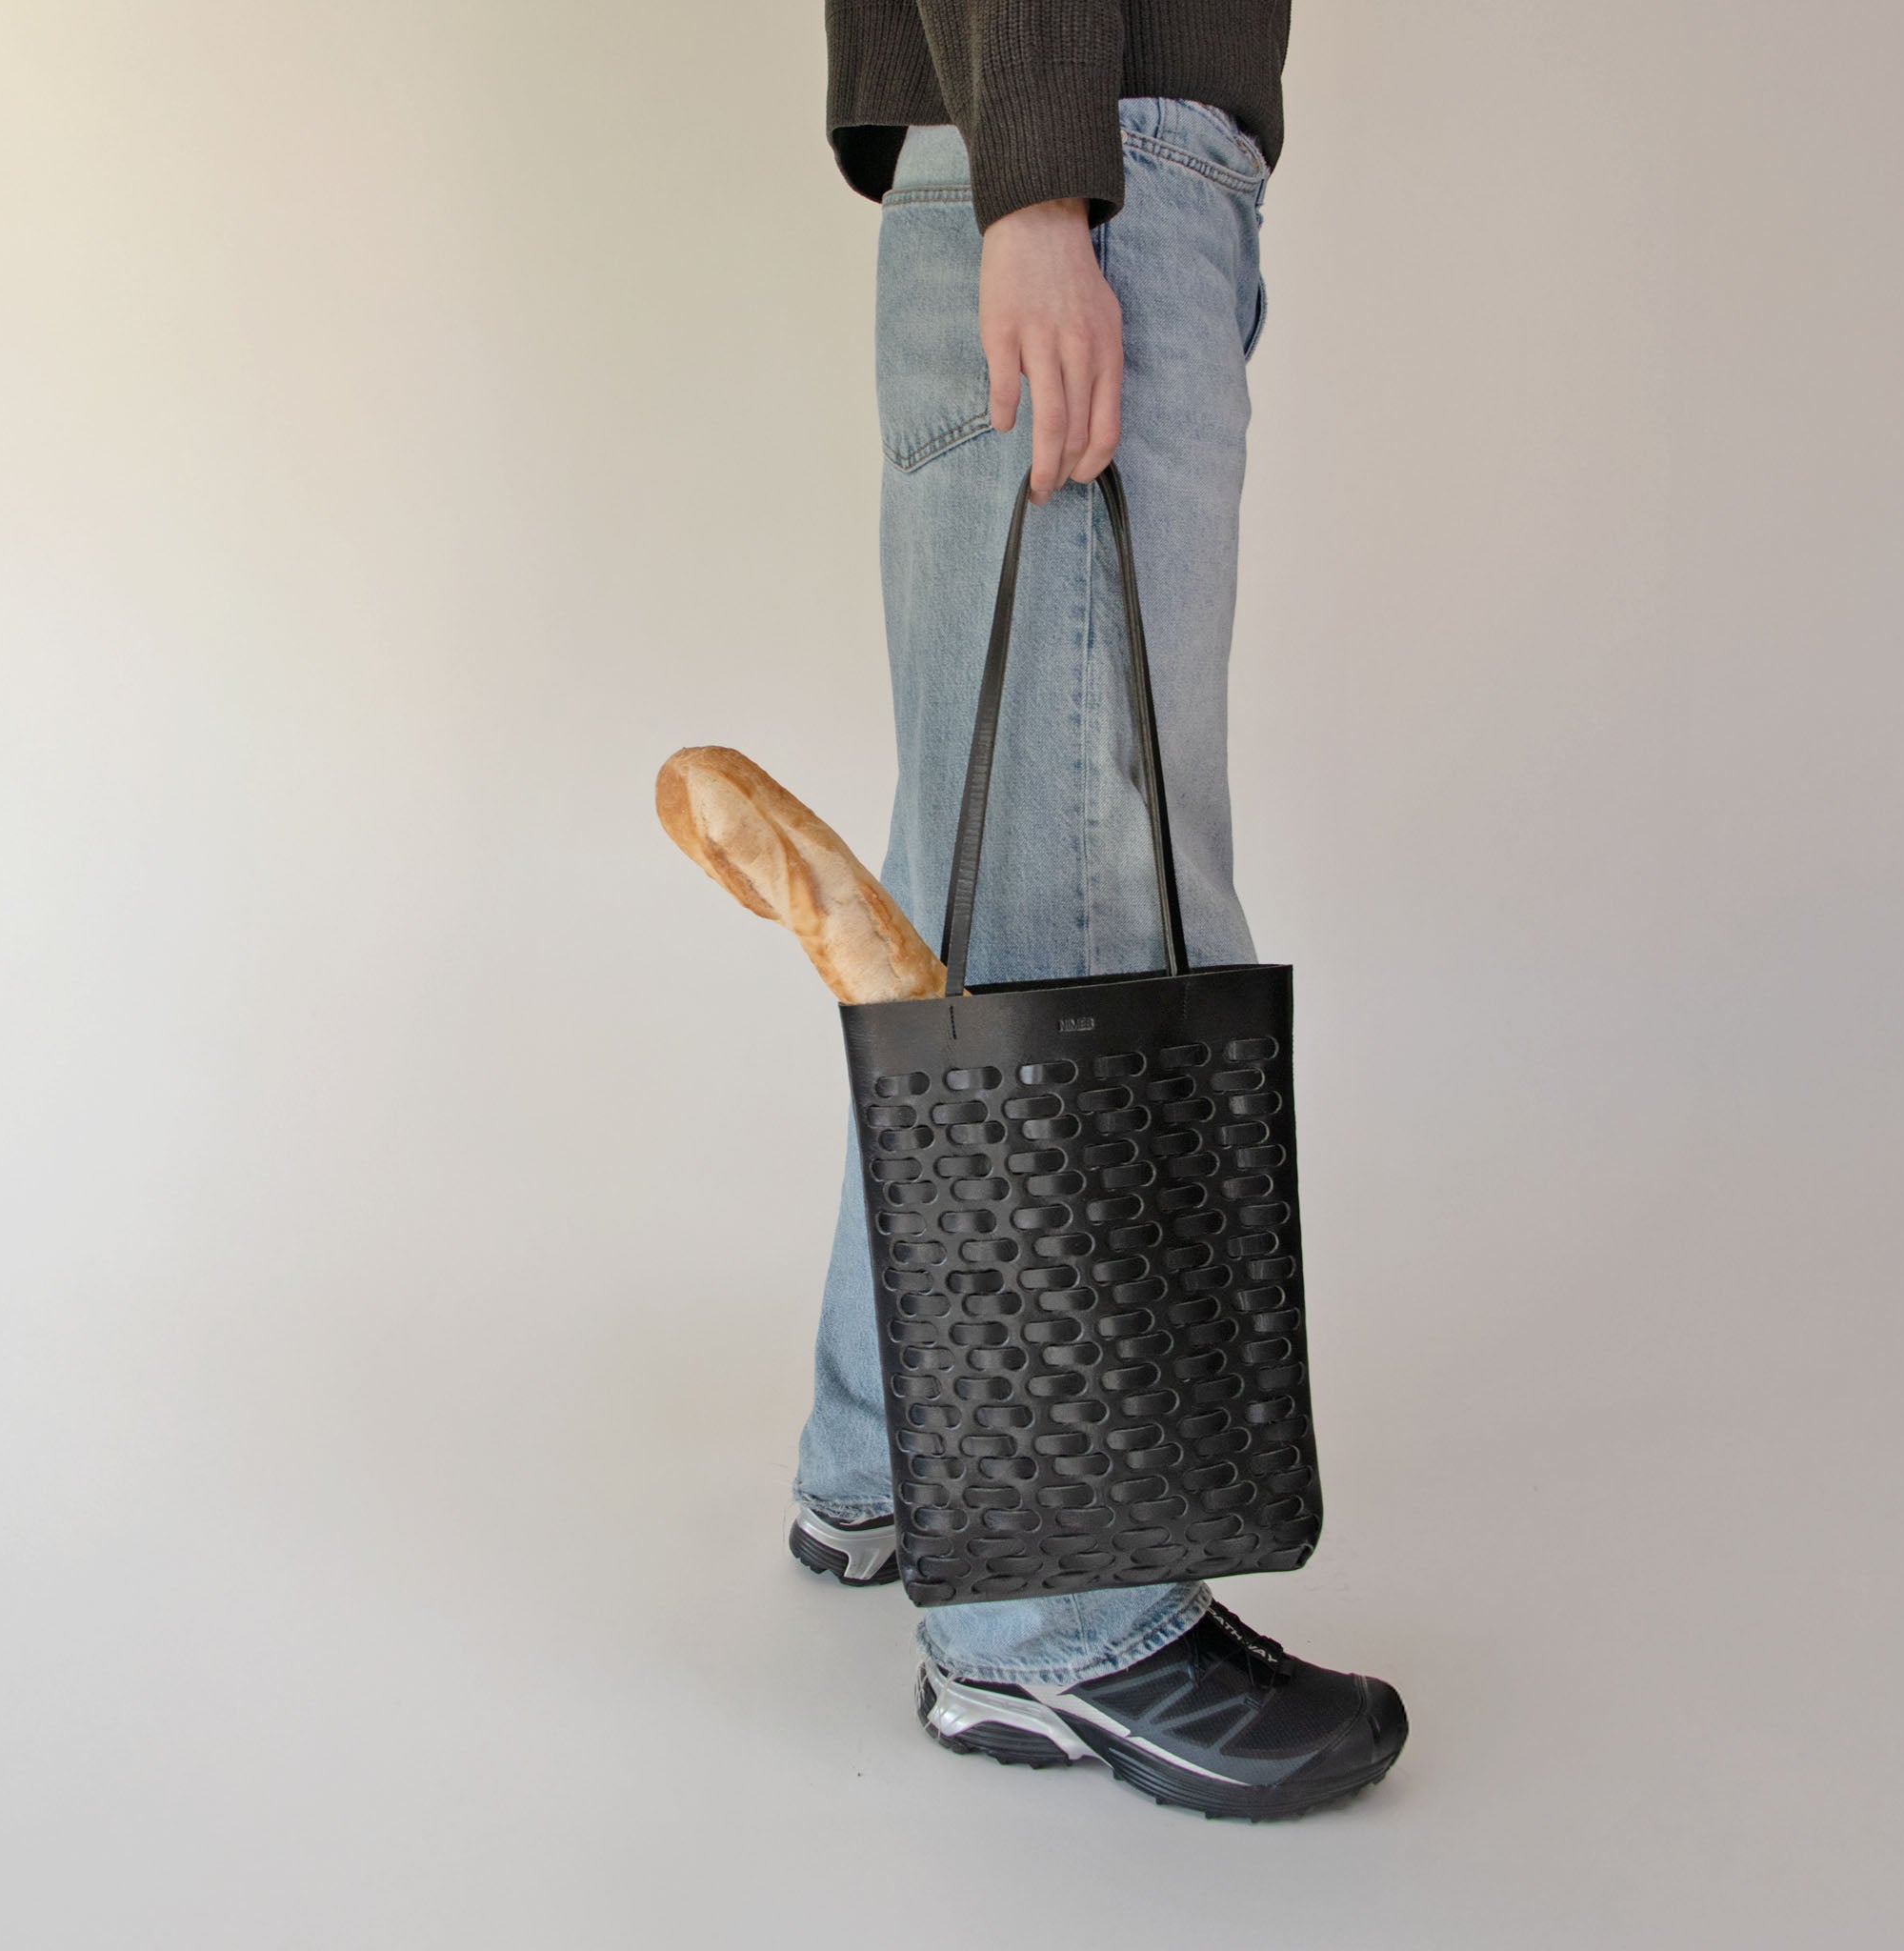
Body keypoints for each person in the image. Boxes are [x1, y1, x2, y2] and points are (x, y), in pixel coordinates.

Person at [789, 2, 1408, 1820]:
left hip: (1048, 155)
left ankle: (896, 1453)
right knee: (1089, 883)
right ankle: (1062, 1621)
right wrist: (1047, 192)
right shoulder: (1062, 186)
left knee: (990, 880)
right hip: (1084, 160)